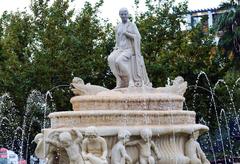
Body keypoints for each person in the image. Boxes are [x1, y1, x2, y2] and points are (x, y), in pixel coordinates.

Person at [108, 8, 151, 88]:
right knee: (110, 59)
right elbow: (117, 39)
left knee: (119, 61)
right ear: (119, 15)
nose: (123, 16)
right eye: (122, 14)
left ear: (128, 15)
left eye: (125, 14)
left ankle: (130, 80)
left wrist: (128, 34)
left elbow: (138, 37)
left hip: (129, 49)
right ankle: (119, 79)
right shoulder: (118, 27)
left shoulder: (132, 25)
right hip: (120, 49)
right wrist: (116, 47)